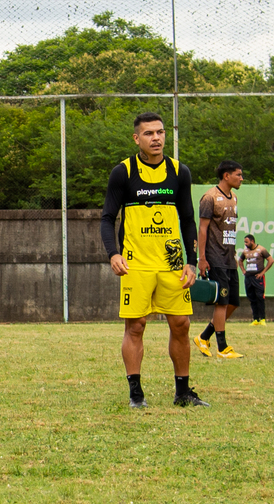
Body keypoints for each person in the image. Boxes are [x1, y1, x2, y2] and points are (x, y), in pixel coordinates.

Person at [100, 112, 205, 408]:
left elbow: (188, 219)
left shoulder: (179, 172)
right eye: (148, 133)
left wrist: (192, 261)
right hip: (136, 263)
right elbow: (107, 218)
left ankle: (183, 393)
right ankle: (136, 395)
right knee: (135, 326)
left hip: (172, 262)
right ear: (137, 139)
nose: (156, 138)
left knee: (181, 324)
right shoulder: (123, 172)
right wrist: (113, 253)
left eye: (160, 132)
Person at [193, 161, 245, 358]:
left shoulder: (234, 198)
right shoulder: (210, 197)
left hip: (230, 258)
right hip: (215, 257)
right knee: (221, 302)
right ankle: (222, 347)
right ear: (226, 176)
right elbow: (202, 229)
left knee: (233, 302)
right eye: (238, 175)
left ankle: (204, 337)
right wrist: (202, 258)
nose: (241, 179)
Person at [239, 234, 272, 326]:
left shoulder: (261, 249)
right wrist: (243, 271)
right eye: (244, 242)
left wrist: (262, 272)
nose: (245, 244)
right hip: (248, 277)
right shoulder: (245, 251)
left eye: (247, 242)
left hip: (258, 278)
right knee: (251, 298)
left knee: (260, 297)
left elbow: (270, 260)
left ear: (252, 241)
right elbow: (240, 261)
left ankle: (263, 319)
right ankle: (256, 319)